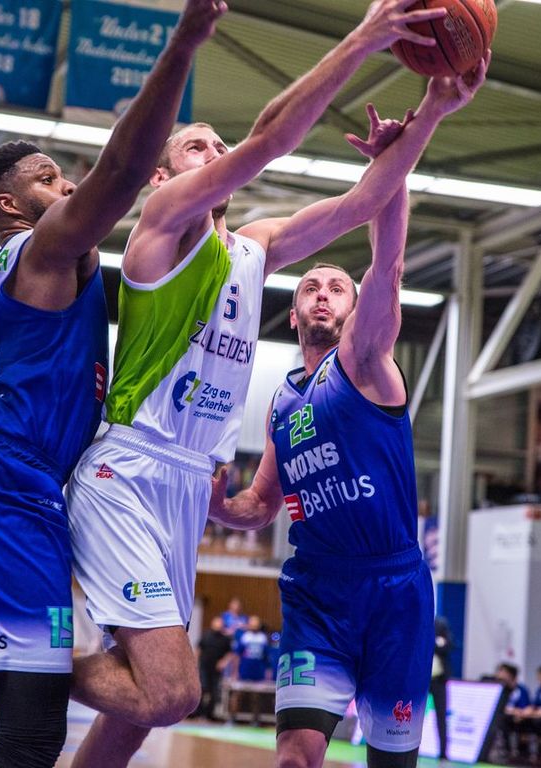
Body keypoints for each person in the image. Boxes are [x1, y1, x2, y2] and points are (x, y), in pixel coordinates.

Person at [60, 3, 489, 766]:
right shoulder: (163, 220)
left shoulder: (253, 248)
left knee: (138, 711)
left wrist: (433, 108)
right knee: (171, 693)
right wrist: (366, 36)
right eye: (197, 145)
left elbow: (365, 204)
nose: (216, 151)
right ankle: (13, 646)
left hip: (188, 486)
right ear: (162, 174)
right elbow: (271, 139)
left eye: (217, 144)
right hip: (132, 466)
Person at [0, 4, 226, 766]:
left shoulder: (4, 280)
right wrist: (184, 43)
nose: (66, 186)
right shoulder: (41, 249)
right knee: (33, 735)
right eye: (47, 179)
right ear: (10, 207)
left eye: (63, 175)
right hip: (5, 491)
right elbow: (124, 173)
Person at [204, 90, 489, 763]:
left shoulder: (363, 362)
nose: (323, 294)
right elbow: (258, 506)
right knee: (295, 755)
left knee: (390, 761)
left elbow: (388, 262)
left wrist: (395, 166)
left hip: (394, 590)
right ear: (293, 313)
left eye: (337, 287)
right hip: (317, 591)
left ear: (358, 310)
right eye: (310, 287)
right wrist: (216, 503)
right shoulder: (280, 402)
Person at [430, 617, 453, 761]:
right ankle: (409, 748)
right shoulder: (418, 622)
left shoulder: (440, 624)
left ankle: (443, 753)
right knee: (413, 715)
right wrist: (436, 642)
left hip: (439, 680)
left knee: (441, 716)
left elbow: (448, 645)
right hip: (422, 680)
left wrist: (432, 643)